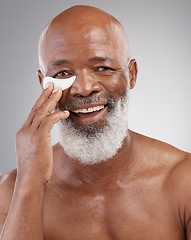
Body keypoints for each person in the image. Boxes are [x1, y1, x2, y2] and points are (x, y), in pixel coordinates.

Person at [0, 5, 190, 240]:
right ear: (43, 83)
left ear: (131, 74)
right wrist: (29, 181)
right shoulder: (9, 192)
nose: (84, 88)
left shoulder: (184, 180)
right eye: (62, 74)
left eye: (102, 68)